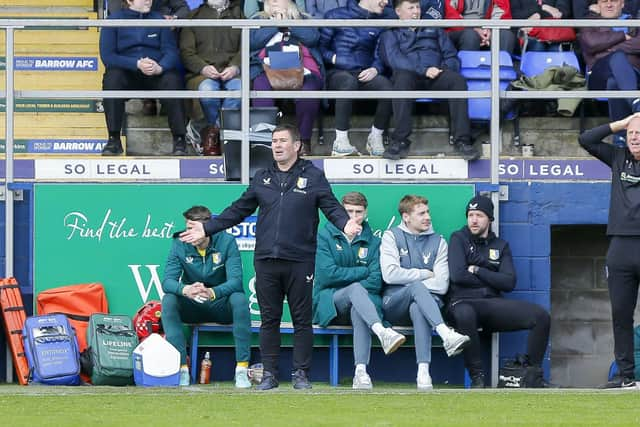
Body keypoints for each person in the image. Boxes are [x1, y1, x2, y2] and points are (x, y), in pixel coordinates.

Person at [179, 124, 362, 390]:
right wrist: (207, 227)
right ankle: (270, 375)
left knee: (301, 320)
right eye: (274, 141)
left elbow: (331, 206)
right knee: (269, 319)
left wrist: (345, 224)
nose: (276, 146)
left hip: (300, 260)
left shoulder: (314, 177)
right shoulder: (262, 177)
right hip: (266, 259)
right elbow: (238, 210)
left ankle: (301, 374)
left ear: (297, 145)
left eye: (282, 141)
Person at [447, 195, 551, 388]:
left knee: (541, 316)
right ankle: (477, 377)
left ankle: (532, 374)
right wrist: (492, 279)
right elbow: (458, 275)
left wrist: (478, 270)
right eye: (470, 215)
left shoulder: (500, 246)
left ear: (490, 218)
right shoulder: (458, 238)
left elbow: (509, 282)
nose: (474, 220)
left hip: (492, 304)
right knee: (465, 313)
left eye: (479, 215)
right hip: (462, 302)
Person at [313, 191, 406, 389]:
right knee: (356, 289)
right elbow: (326, 275)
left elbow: (374, 282)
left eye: (358, 212)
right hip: (330, 303)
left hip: (361, 307)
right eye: (348, 212)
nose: (354, 217)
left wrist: (351, 283)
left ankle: (361, 373)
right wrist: (361, 271)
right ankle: (381, 331)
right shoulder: (324, 235)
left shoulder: (373, 242)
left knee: (359, 306)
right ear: (340, 211)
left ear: (365, 213)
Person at [380, 194, 471, 390]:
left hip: (428, 304)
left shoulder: (439, 241)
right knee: (416, 288)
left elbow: (441, 285)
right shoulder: (391, 236)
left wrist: (414, 285)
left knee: (418, 306)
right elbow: (389, 275)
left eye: (427, 212)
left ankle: (423, 372)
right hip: (395, 302)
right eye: (421, 213)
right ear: (406, 217)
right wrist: (421, 274)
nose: (427, 217)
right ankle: (446, 334)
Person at [578, 113, 640, 388]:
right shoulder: (617, 158)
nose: (635, 138)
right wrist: (622, 123)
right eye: (632, 133)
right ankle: (627, 376)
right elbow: (586, 139)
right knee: (621, 315)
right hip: (621, 246)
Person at [162, 205, 252, 388]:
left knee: (239, 298)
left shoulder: (226, 241)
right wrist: (185, 289)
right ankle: (181, 370)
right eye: (187, 228)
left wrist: (213, 292)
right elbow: (167, 282)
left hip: (219, 305)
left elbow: (236, 281)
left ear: (206, 229)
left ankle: (242, 370)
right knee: (169, 299)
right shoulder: (179, 243)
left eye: (192, 229)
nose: (188, 233)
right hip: (192, 305)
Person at [378, 0, 479, 161]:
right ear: (398, 11)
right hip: (410, 76)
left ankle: (463, 141)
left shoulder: (434, 29)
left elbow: (451, 56)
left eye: (417, 7)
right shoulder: (390, 33)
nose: (416, 12)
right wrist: (424, 70)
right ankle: (400, 141)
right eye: (410, 8)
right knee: (401, 79)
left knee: (457, 81)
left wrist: (444, 69)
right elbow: (394, 60)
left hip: (436, 74)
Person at [99, 0, 188, 156]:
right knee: (112, 78)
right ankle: (114, 139)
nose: (149, 1)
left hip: (156, 71)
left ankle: (180, 139)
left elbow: (171, 52)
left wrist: (161, 67)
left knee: (173, 79)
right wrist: (136, 64)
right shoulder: (114, 20)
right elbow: (108, 56)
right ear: (129, 1)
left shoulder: (158, 19)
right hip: (128, 72)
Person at [319, 0, 394, 157]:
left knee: (388, 87)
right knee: (348, 82)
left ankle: (375, 137)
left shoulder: (381, 21)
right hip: (338, 72)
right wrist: (335, 58)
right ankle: (340, 141)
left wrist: (376, 69)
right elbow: (320, 48)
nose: (386, 2)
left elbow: (380, 53)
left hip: (365, 72)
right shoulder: (335, 16)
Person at [249, 0, 323, 155]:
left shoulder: (304, 18)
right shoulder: (258, 19)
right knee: (260, 88)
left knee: (309, 92)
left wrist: (289, 23)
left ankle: (303, 141)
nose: (273, 1)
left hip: (303, 69)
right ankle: (265, 142)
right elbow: (253, 42)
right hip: (266, 69)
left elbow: (312, 38)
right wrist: (275, 24)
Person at [180, 0, 243, 156]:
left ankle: (213, 134)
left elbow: (246, 47)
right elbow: (186, 52)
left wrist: (235, 66)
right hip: (201, 74)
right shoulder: (193, 17)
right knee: (208, 90)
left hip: (233, 72)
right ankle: (222, 136)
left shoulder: (239, 15)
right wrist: (203, 68)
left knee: (238, 90)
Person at [578, 0, 640, 146]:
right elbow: (591, 43)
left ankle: (620, 139)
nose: (609, 4)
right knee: (617, 57)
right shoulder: (590, 22)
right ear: (598, 5)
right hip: (599, 75)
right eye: (604, 1)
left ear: (623, 4)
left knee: (614, 82)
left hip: (633, 75)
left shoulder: (634, 22)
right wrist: (622, 36)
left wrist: (607, 47)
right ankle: (637, 105)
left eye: (614, 1)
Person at [444, 0, 517, 55]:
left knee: (506, 35)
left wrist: (490, 29)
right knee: (470, 35)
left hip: (486, 27)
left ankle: (503, 70)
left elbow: (502, 11)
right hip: (459, 29)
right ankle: (469, 71)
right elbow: (450, 13)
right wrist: (473, 28)